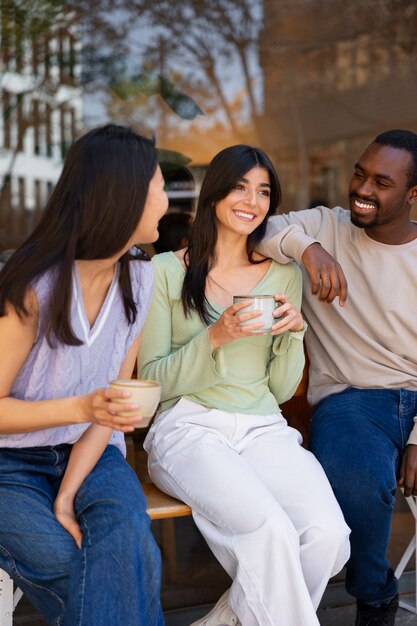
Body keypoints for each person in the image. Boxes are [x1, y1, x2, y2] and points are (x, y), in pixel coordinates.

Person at [137, 144, 350, 626]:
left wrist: (295, 334)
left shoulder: (282, 273)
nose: (251, 200)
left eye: (263, 191)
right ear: (213, 193)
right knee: (270, 532)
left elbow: (278, 389)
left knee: (327, 535)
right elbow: (151, 383)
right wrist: (215, 336)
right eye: (239, 186)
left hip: (261, 426)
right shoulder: (166, 272)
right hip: (187, 427)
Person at [0, 123, 169, 626]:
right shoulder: (35, 286)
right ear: (125, 197)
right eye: (160, 187)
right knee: (81, 568)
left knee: (129, 551)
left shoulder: (140, 277)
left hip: (93, 454)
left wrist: (69, 494)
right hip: (10, 464)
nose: (167, 200)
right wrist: (81, 407)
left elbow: (114, 402)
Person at [258, 129, 417, 626]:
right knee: (353, 481)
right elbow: (256, 228)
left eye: (382, 182)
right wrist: (308, 249)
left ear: (413, 196)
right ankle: (375, 595)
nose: (363, 190)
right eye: (359, 174)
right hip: (353, 397)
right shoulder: (324, 226)